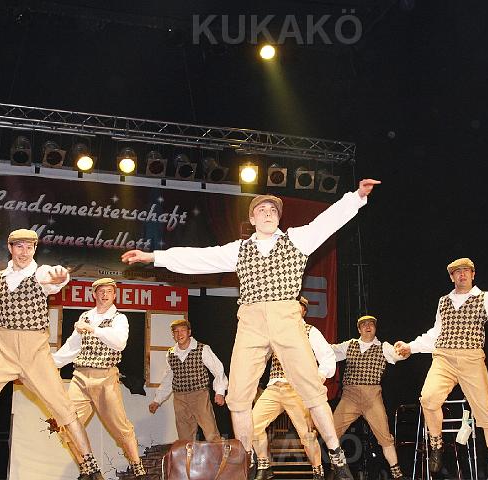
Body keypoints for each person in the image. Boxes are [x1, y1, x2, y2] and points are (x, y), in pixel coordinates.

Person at [122, 178, 381, 480]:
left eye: (273, 210)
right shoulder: (239, 250)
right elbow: (200, 257)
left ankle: (336, 456)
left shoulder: (297, 239)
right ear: (253, 219)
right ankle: (244, 462)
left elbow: (327, 222)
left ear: (279, 218)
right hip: (251, 320)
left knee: (312, 389)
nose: (268, 213)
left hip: (286, 316)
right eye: (262, 210)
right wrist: (155, 257)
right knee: (238, 397)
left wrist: (356, 197)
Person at [0, 229, 104, 480]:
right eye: (19, 247)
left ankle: (91, 468)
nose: (24, 252)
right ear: (10, 248)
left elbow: (53, 279)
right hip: (2, 351)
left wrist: (60, 277)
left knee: (64, 410)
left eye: (29, 247)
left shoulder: (39, 273)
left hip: (34, 353)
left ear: (35, 249)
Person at [394, 258, 488, 480]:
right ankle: (436, 444)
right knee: (428, 398)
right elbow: (436, 333)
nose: (462, 274)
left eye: (466, 271)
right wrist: (411, 347)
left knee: (487, 416)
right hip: (444, 358)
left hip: (471, 359)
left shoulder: (484, 298)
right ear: (452, 277)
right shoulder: (444, 301)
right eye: (457, 272)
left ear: (473, 274)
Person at [52, 278, 146, 478]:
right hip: (80, 377)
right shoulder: (85, 317)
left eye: (109, 291)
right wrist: (49, 364)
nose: (104, 294)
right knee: (66, 425)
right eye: (101, 291)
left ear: (114, 295)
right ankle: (88, 470)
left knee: (121, 428)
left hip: (105, 378)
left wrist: (93, 329)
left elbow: (119, 342)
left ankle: (138, 469)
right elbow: (72, 347)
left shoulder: (119, 319)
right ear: (94, 294)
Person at [252, 296, 336, 480]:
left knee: (307, 434)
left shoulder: (310, 331)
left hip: (297, 389)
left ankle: (318, 471)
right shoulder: (276, 332)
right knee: (252, 425)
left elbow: (328, 356)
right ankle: (264, 466)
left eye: (296, 307)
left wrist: (319, 377)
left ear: (303, 311)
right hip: (274, 387)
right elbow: (261, 357)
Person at [332, 315, 407, 480]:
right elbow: (328, 351)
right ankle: (339, 467)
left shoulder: (383, 347)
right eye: (364, 324)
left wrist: (404, 350)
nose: (368, 326)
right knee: (331, 431)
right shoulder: (350, 345)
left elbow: (399, 355)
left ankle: (397, 474)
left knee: (385, 437)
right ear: (359, 329)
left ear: (375, 328)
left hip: (372, 397)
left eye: (371, 324)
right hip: (350, 396)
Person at [149, 318, 227, 443]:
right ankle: (188, 456)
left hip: (199, 395)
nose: (179, 334)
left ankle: (218, 454)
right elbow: (168, 378)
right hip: (180, 398)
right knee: (185, 436)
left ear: (189, 332)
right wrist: (157, 400)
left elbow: (218, 369)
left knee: (210, 432)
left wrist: (220, 392)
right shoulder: (171, 353)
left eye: (182, 330)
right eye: (176, 331)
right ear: (173, 335)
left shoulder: (202, 349)